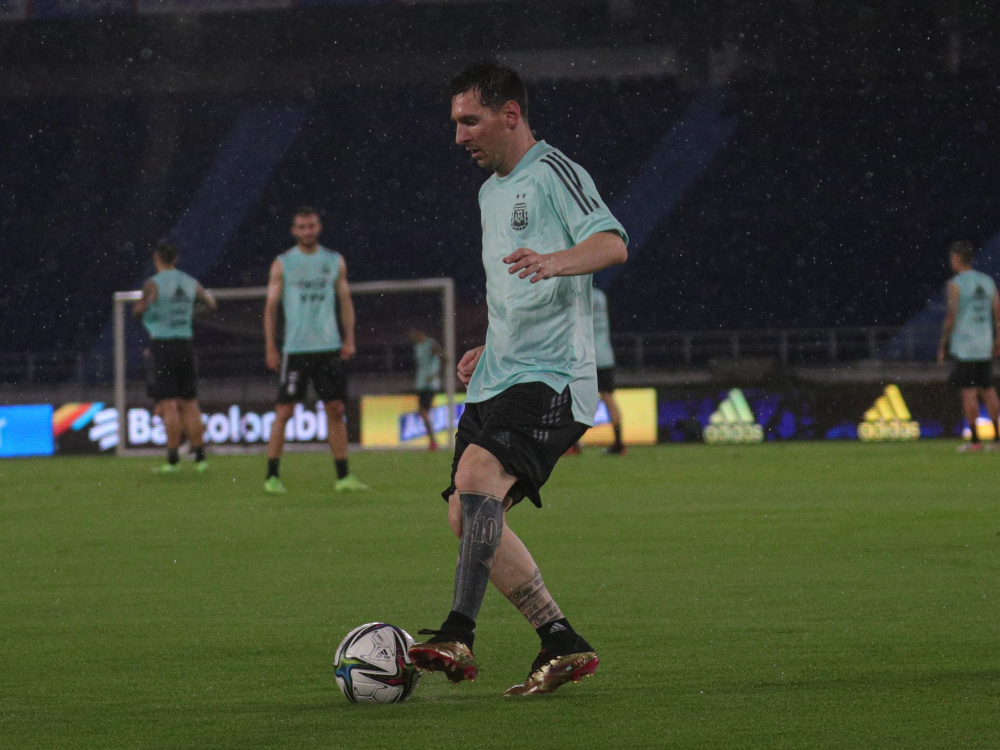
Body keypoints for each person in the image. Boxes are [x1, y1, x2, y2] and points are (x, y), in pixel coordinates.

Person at [408, 61, 628, 696]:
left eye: (469, 120)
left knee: (476, 479)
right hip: (501, 372)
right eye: (454, 122)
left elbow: (612, 243)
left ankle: (458, 633)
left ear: (510, 114)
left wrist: (558, 260)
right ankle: (559, 639)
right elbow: (511, 291)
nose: (458, 136)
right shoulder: (488, 194)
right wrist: (489, 344)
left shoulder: (556, 172)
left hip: (553, 374)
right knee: (465, 513)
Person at [262, 206, 368, 493]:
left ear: (318, 227)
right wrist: (271, 346)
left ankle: (343, 476)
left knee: (335, 409)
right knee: (284, 411)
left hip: (329, 347)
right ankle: (272, 476)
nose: (306, 231)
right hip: (295, 349)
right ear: (294, 231)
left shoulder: (333, 261)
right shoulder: (283, 263)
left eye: (311, 226)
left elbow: (345, 301)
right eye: (301, 227)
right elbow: (270, 308)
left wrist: (349, 339)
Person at [133, 241, 216, 473]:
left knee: (169, 404)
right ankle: (200, 459)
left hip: (163, 345)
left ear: (156, 258)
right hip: (185, 344)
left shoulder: (154, 284)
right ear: (176, 259)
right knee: (190, 404)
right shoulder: (190, 282)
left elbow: (139, 310)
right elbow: (211, 304)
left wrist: (152, 315)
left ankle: (173, 461)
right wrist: (188, 313)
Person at [937, 240, 1000, 452]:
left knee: (969, 392)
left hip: (965, 346)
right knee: (989, 391)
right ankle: (997, 439)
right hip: (984, 345)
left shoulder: (956, 284)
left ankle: (975, 441)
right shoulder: (987, 281)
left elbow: (951, 316)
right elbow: (997, 313)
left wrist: (943, 343)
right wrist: (998, 338)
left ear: (957, 258)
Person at [592, 286, 626, 455]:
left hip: (588, 357)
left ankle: (572, 445)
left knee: (572, 399)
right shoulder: (601, 296)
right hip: (606, 355)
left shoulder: (581, 295)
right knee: (609, 398)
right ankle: (619, 444)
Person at [408, 327, 445, 451]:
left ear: (420, 332)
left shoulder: (431, 344)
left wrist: (435, 374)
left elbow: (444, 358)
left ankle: (433, 441)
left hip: (430, 384)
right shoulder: (417, 347)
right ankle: (432, 441)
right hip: (421, 384)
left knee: (423, 411)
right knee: (423, 412)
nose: (411, 337)